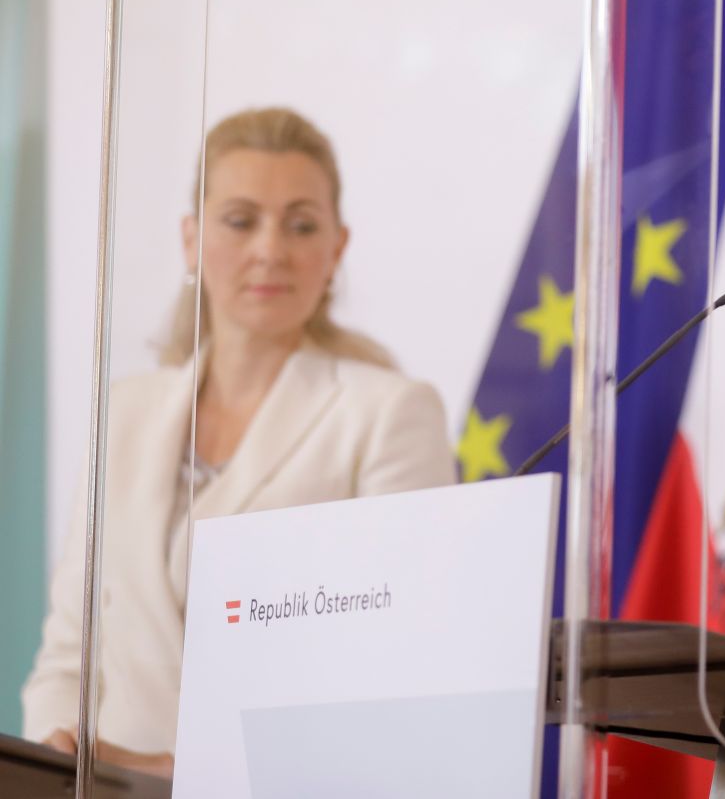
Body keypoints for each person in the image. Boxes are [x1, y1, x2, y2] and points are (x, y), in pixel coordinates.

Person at [21, 108, 456, 777]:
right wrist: (54, 763)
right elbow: (68, 654)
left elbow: (396, 670)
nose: (270, 249)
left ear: (338, 246)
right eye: (240, 220)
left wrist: (183, 772)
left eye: (301, 224)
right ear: (190, 239)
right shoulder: (125, 413)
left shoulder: (390, 414)